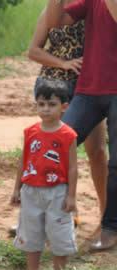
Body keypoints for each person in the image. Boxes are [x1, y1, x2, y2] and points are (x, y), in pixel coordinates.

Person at [27, 0, 107, 223]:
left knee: (97, 152)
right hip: (56, 88)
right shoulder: (52, 11)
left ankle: (106, 214)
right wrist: (63, 63)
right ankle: (63, 211)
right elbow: (33, 51)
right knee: (56, 152)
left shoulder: (95, 8)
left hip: (90, 86)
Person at [46, 0, 117, 252]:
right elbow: (55, 23)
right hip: (88, 90)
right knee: (53, 145)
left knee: (116, 164)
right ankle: (46, 218)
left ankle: (110, 228)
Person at [10, 79, 78, 270]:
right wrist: (17, 189)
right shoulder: (30, 132)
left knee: (60, 234)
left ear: (64, 107)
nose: (46, 109)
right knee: (31, 233)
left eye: (52, 104)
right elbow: (23, 161)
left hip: (58, 192)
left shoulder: (68, 135)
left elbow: (73, 167)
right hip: (31, 191)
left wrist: (71, 196)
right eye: (41, 104)